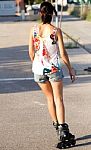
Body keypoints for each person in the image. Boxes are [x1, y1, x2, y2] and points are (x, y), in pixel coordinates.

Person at [29, 1, 76, 148]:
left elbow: (31, 52)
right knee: (58, 99)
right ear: (52, 13)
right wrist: (70, 68)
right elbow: (62, 53)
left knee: (50, 99)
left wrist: (38, 64)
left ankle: (57, 127)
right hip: (54, 70)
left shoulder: (34, 30)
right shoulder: (56, 31)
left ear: (40, 13)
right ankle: (63, 129)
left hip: (38, 69)